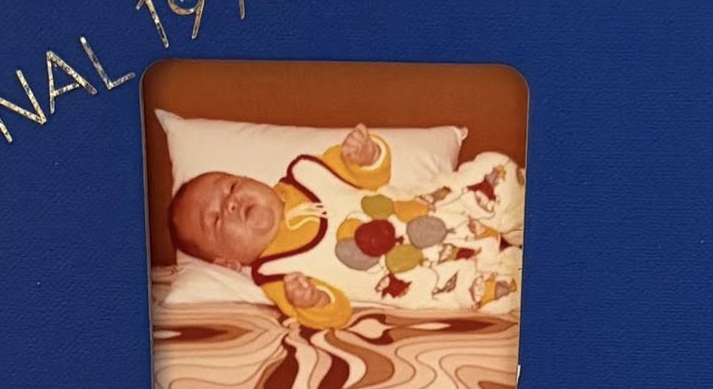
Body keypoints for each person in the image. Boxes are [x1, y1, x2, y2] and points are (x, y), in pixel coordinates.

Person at [168, 124, 523, 329]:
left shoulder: (306, 173)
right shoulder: (278, 275)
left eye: (230, 186)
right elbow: (336, 313)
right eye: (216, 220)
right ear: (228, 263)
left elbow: (369, 173)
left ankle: (521, 219)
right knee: (493, 292)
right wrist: (312, 300)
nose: (230, 203)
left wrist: (367, 155)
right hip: (432, 275)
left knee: (495, 170)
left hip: (439, 206)